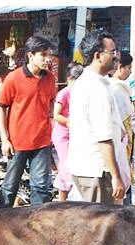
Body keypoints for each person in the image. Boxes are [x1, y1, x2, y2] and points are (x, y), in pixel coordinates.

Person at [0, 35, 57, 208]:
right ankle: (0, 223)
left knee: (41, 188)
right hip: (17, 142)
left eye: (49, 55)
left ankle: (39, 226)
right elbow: (1, 107)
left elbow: (50, 104)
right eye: (43, 55)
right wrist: (4, 139)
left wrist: (50, 126)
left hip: (42, 142)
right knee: (9, 187)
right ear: (31, 55)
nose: (47, 59)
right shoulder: (14, 78)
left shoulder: (50, 79)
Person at [67, 30, 127, 205]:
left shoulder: (91, 82)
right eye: (112, 52)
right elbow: (103, 138)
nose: (116, 57)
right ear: (97, 56)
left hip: (88, 168)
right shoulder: (96, 88)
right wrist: (116, 177)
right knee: (99, 227)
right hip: (97, 170)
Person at [51, 62, 83, 201]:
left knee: (69, 165)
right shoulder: (63, 94)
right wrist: (69, 121)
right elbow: (56, 115)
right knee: (66, 166)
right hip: (62, 135)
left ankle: (62, 200)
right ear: (71, 79)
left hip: (76, 134)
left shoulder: (81, 93)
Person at [110, 51, 135, 205]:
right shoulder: (115, 89)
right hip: (118, 141)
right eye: (128, 67)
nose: (130, 71)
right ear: (120, 67)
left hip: (126, 140)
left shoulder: (123, 87)